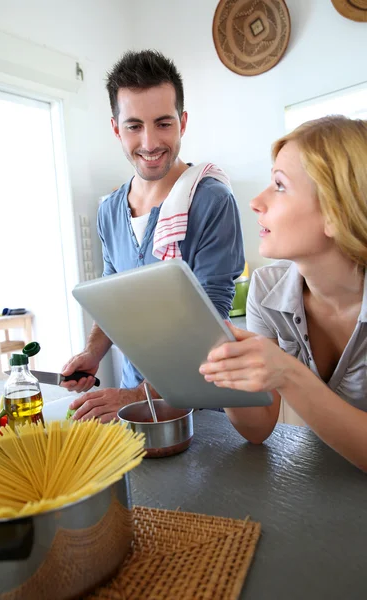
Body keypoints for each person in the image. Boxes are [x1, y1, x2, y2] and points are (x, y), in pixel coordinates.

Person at [62, 49, 245, 421]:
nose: (149, 143)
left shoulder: (211, 200)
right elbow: (115, 295)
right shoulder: (110, 210)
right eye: (133, 126)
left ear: (183, 121)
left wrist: (134, 395)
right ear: (115, 128)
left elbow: (208, 325)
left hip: (198, 407)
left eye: (163, 123)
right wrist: (93, 353)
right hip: (131, 408)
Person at [200, 115, 367, 471]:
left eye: (279, 185)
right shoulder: (265, 287)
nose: (256, 201)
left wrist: (287, 373)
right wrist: (226, 365)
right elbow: (258, 428)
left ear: (337, 213)